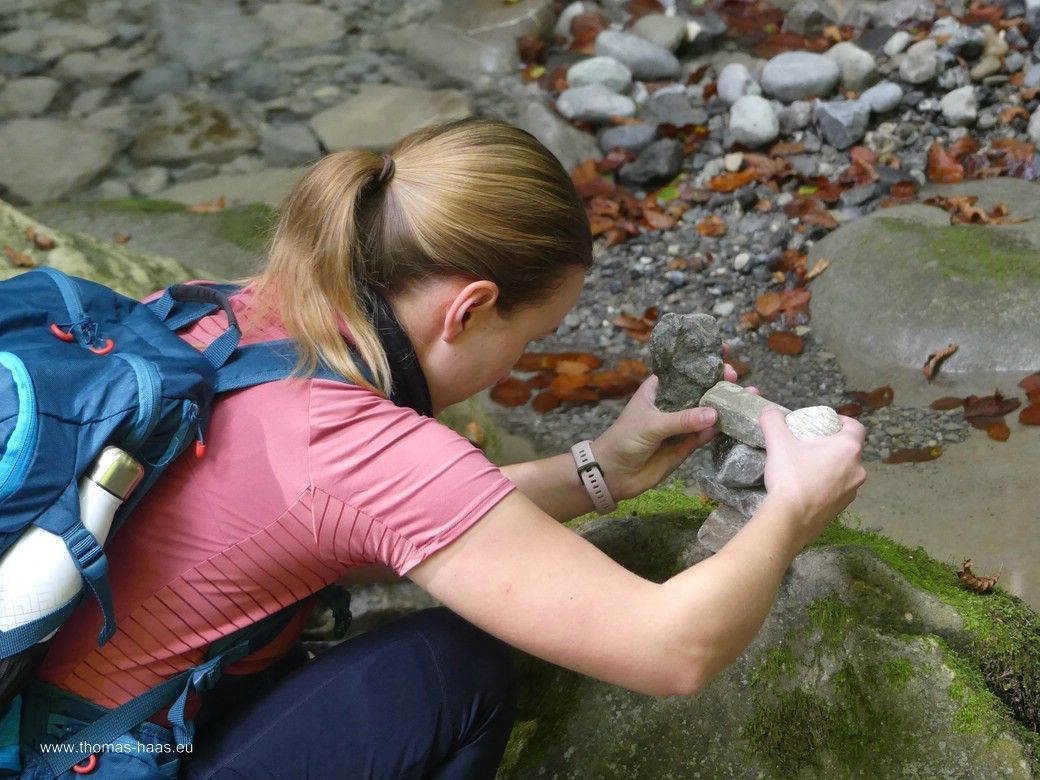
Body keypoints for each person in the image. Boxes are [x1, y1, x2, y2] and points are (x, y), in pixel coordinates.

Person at [25, 118, 866, 779]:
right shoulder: (357, 447)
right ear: (469, 310)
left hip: (24, 712)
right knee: (450, 668)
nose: (519, 364)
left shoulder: (214, 312)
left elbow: (346, 525)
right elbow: (673, 649)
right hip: (81, 762)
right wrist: (793, 507)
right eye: (529, 338)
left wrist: (601, 470)